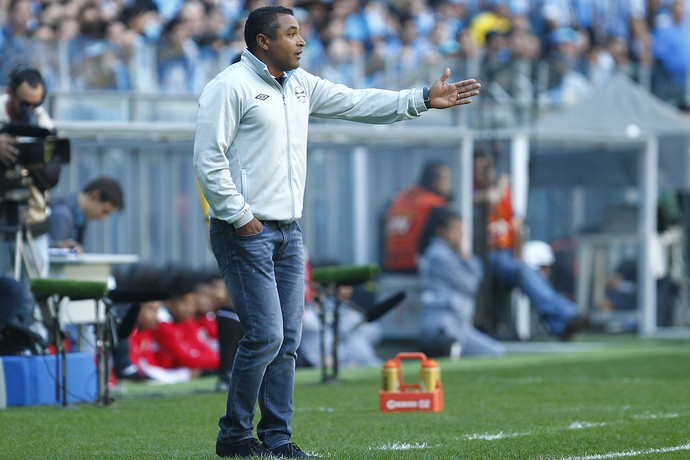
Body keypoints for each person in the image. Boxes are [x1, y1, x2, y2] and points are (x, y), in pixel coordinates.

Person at [193, 6, 481, 458]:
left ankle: (277, 439)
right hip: (243, 232)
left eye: (301, 32)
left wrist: (423, 98)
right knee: (266, 336)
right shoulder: (228, 87)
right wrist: (241, 216)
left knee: (288, 339)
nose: (302, 40)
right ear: (263, 42)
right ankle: (233, 436)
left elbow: (358, 102)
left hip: (289, 232)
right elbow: (208, 161)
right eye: (291, 33)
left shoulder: (301, 85)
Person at [473, 150, 589, 341]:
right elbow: (491, 198)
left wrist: (518, 253)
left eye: (489, 167)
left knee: (530, 271)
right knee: (521, 271)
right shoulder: (471, 190)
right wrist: (502, 183)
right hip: (483, 256)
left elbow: (516, 224)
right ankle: (566, 314)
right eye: (481, 168)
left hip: (506, 253)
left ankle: (560, 324)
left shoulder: (502, 192)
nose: (487, 172)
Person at [0, 64, 61, 328]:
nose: (30, 110)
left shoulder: (43, 123)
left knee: (33, 298)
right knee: (4, 294)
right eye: (25, 104)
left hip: (33, 219)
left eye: (36, 104)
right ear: (11, 93)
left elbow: (53, 177)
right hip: (1, 219)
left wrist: (35, 153)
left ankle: (32, 347)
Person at [418, 207, 505, 358]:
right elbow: (470, 284)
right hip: (443, 324)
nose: (461, 235)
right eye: (456, 230)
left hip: (457, 325)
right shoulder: (439, 255)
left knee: (496, 351)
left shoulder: (450, 253)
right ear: (441, 231)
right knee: (492, 352)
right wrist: (468, 258)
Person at [381, 160, 453, 273]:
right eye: (447, 179)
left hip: (390, 266)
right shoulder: (435, 205)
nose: (450, 184)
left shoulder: (398, 198)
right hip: (417, 269)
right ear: (435, 181)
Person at [47, 175, 124, 254]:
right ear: (95, 196)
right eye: (105, 211)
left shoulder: (81, 217)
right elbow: (54, 259)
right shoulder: (62, 215)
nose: (102, 218)